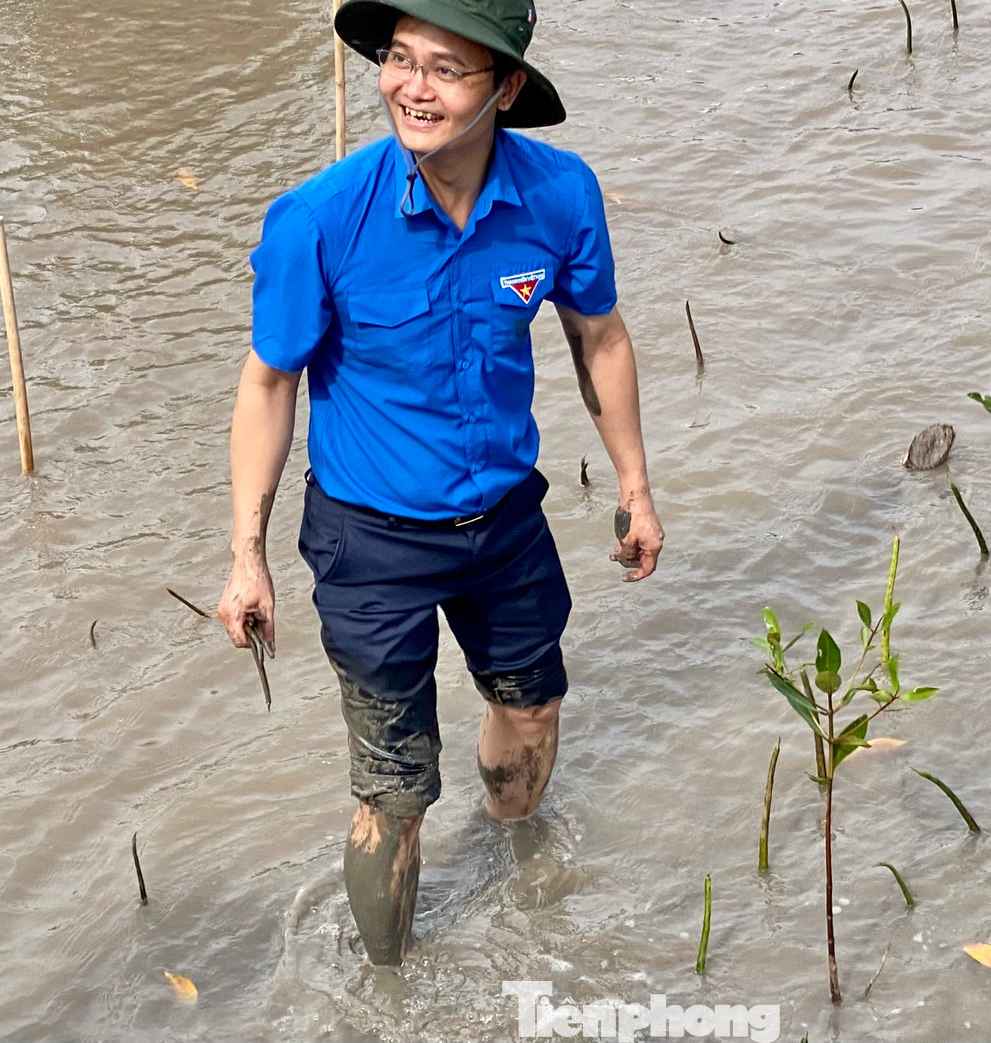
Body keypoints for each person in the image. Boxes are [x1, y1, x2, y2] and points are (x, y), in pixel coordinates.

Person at [214, 0, 663, 966]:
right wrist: (246, 557)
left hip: (504, 520)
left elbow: (601, 335)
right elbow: (267, 381)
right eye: (399, 59)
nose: (411, 87)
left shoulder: (560, 195)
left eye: (446, 68)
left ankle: (520, 868)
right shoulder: (319, 220)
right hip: (369, 542)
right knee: (394, 786)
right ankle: (388, 993)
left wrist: (635, 483)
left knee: (534, 702)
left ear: (504, 87)